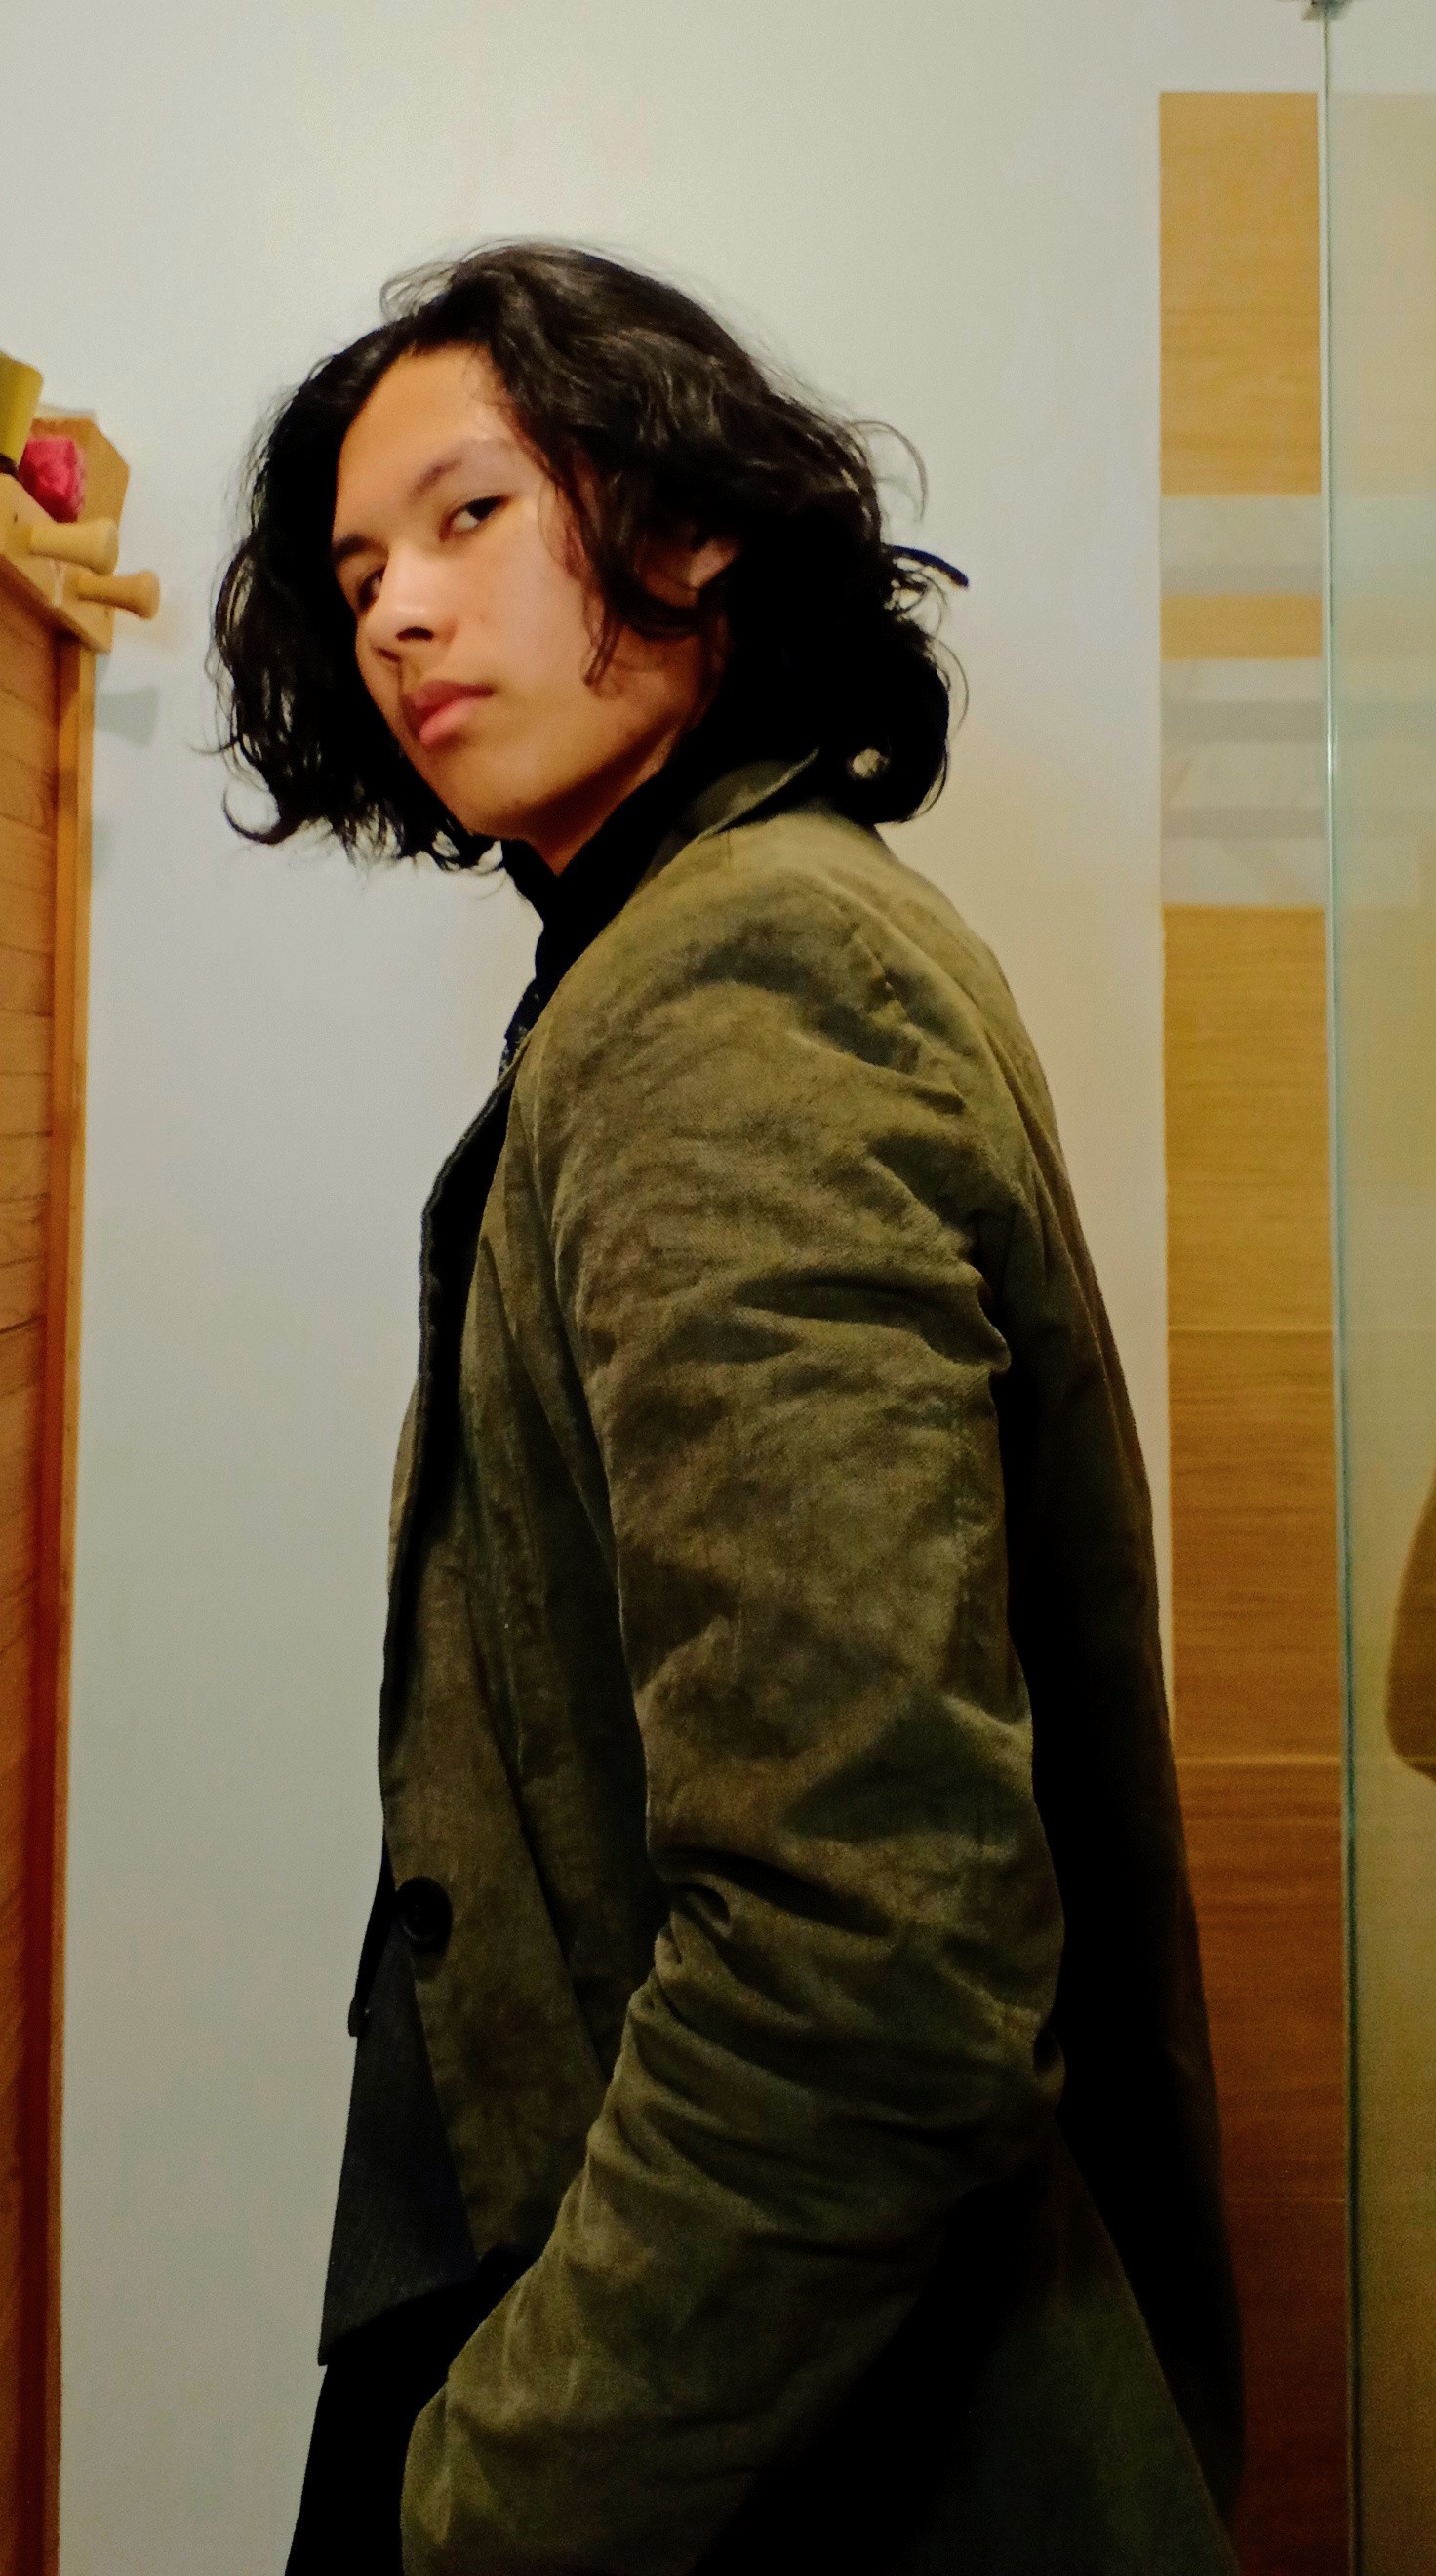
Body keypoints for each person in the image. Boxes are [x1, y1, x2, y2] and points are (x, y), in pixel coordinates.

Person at [211, 241, 1242, 2575]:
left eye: (469, 516)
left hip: (757, 2462)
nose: (397, 613)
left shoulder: (734, 987)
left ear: (685, 533)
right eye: (359, 576)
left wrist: (480, 2506)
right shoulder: (706, 945)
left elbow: (869, 1964)